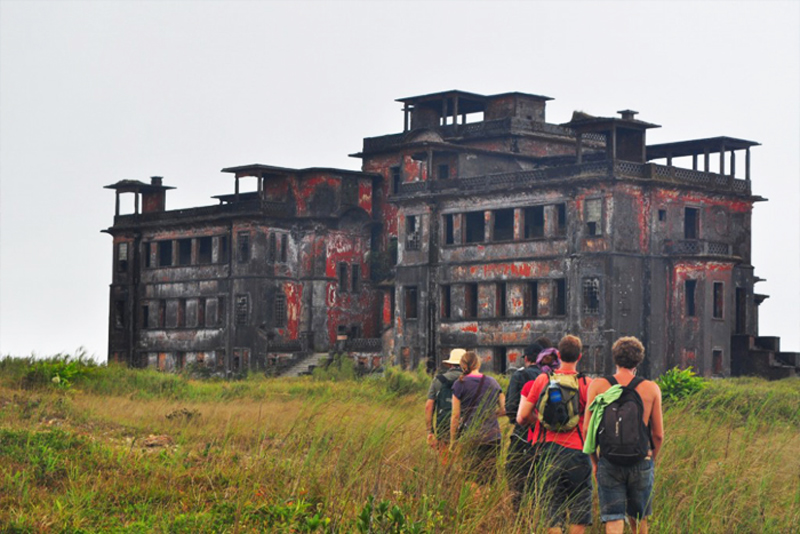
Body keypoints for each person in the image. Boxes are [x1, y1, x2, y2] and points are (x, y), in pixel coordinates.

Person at [583, 337, 664, 534]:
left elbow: (587, 430)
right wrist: (651, 458)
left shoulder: (598, 386)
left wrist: (595, 462)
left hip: (609, 461)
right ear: (638, 361)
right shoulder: (651, 388)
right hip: (641, 459)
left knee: (613, 518)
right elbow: (658, 434)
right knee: (640, 518)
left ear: (615, 358)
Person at [517, 335, 593, 534]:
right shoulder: (587, 383)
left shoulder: (543, 379)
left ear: (558, 355)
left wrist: (541, 420)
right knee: (578, 509)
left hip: (549, 450)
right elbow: (594, 424)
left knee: (551, 507)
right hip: (578, 451)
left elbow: (522, 417)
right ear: (580, 356)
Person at [505, 337, 553, 510]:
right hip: (548, 438)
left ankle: (519, 518)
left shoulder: (520, 375)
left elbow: (510, 408)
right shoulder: (550, 377)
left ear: (526, 358)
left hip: (522, 436)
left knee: (517, 479)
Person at [450, 351, 505, 485]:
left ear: (463, 366)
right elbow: (504, 409)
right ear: (478, 364)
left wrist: (453, 441)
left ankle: (475, 505)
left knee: (471, 477)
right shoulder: (492, 382)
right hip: (493, 437)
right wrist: (490, 414)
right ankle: (486, 504)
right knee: (489, 479)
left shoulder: (460, 383)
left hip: (471, 437)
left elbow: (455, 415)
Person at [425, 348, 466, 451]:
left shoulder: (438, 380)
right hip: (466, 427)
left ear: (450, 364)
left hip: (443, 427)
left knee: (444, 460)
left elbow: (429, 406)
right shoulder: (472, 381)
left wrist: (430, 431)